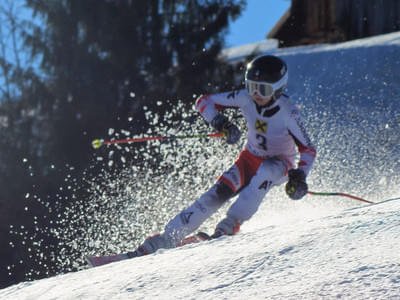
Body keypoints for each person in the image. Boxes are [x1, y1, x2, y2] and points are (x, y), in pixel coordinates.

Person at [87, 55, 317, 266]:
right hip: (249, 160)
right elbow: (204, 102)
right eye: (252, 87)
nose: (256, 94)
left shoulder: (288, 112)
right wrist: (220, 123)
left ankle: (227, 227)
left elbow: (308, 149)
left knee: (266, 170)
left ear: (277, 89)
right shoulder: (245, 98)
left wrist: (300, 176)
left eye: (263, 90)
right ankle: (168, 238)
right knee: (216, 195)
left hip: (280, 165)